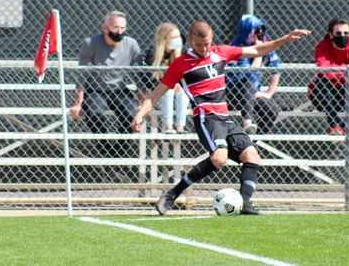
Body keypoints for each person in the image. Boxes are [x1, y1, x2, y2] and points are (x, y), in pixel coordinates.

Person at [131, 20, 310, 215]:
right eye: (199, 44)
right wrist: (140, 115)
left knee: (252, 156)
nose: (204, 48)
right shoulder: (180, 64)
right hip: (206, 118)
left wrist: (284, 39)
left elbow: (257, 50)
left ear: (212, 38)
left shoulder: (221, 52)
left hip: (225, 118)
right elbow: (156, 94)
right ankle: (173, 194)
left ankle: (244, 203)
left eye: (207, 43)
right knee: (219, 158)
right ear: (190, 40)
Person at [70, 11, 143, 149]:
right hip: (96, 90)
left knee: (131, 112)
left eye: (123, 28)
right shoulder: (91, 43)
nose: (120, 31)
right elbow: (82, 74)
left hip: (119, 89)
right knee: (93, 112)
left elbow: (137, 75)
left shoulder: (131, 44)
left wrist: (141, 99)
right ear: (105, 28)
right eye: (115, 28)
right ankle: (105, 148)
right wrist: (78, 103)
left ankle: (121, 149)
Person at [307, 17, 349, 135]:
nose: (342, 36)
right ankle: (334, 125)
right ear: (331, 35)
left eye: (346, 33)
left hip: (347, 94)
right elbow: (324, 70)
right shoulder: (322, 47)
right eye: (338, 33)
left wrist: (336, 70)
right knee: (322, 81)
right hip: (324, 98)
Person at [226, 15, 281, 134]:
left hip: (253, 95)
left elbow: (276, 68)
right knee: (248, 84)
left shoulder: (263, 43)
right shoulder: (236, 47)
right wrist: (258, 53)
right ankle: (247, 122)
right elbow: (248, 75)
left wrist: (269, 93)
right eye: (254, 31)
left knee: (272, 109)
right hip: (233, 93)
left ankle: (253, 142)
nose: (258, 34)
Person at [143, 23, 189, 134]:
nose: (178, 40)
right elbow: (149, 81)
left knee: (180, 89)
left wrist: (177, 57)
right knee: (168, 89)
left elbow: (187, 78)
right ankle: (168, 127)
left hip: (179, 95)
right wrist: (167, 85)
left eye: (178, 36)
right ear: (164, 39)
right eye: (174, 37)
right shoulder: (153, 54)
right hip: (158, 96)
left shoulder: (184, 52)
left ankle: (180, 127)